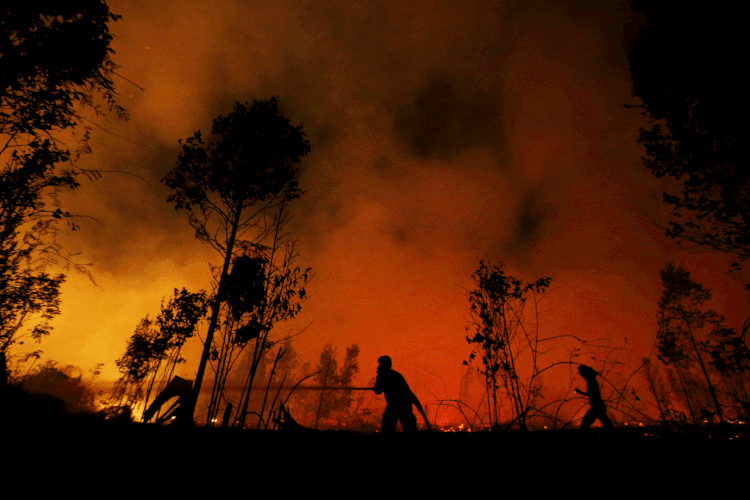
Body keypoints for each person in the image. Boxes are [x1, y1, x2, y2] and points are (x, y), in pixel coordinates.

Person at [374, 355, 431, 433]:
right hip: (400, 405)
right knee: (402, 429)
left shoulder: (383, 375)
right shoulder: (395, 375)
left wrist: (418, 406)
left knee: (392, 429)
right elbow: (378, 390)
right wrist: (418, 406)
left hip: (401, 406)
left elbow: (377, 390)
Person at [574, 364, 613, 429]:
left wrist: (580, 392)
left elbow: (593, 394)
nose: (581, 375)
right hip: (599, 406)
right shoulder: (592, 381)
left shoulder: (591, 382)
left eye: (582, 373)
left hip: (596, 407)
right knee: (607, 425)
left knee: (585, 424)